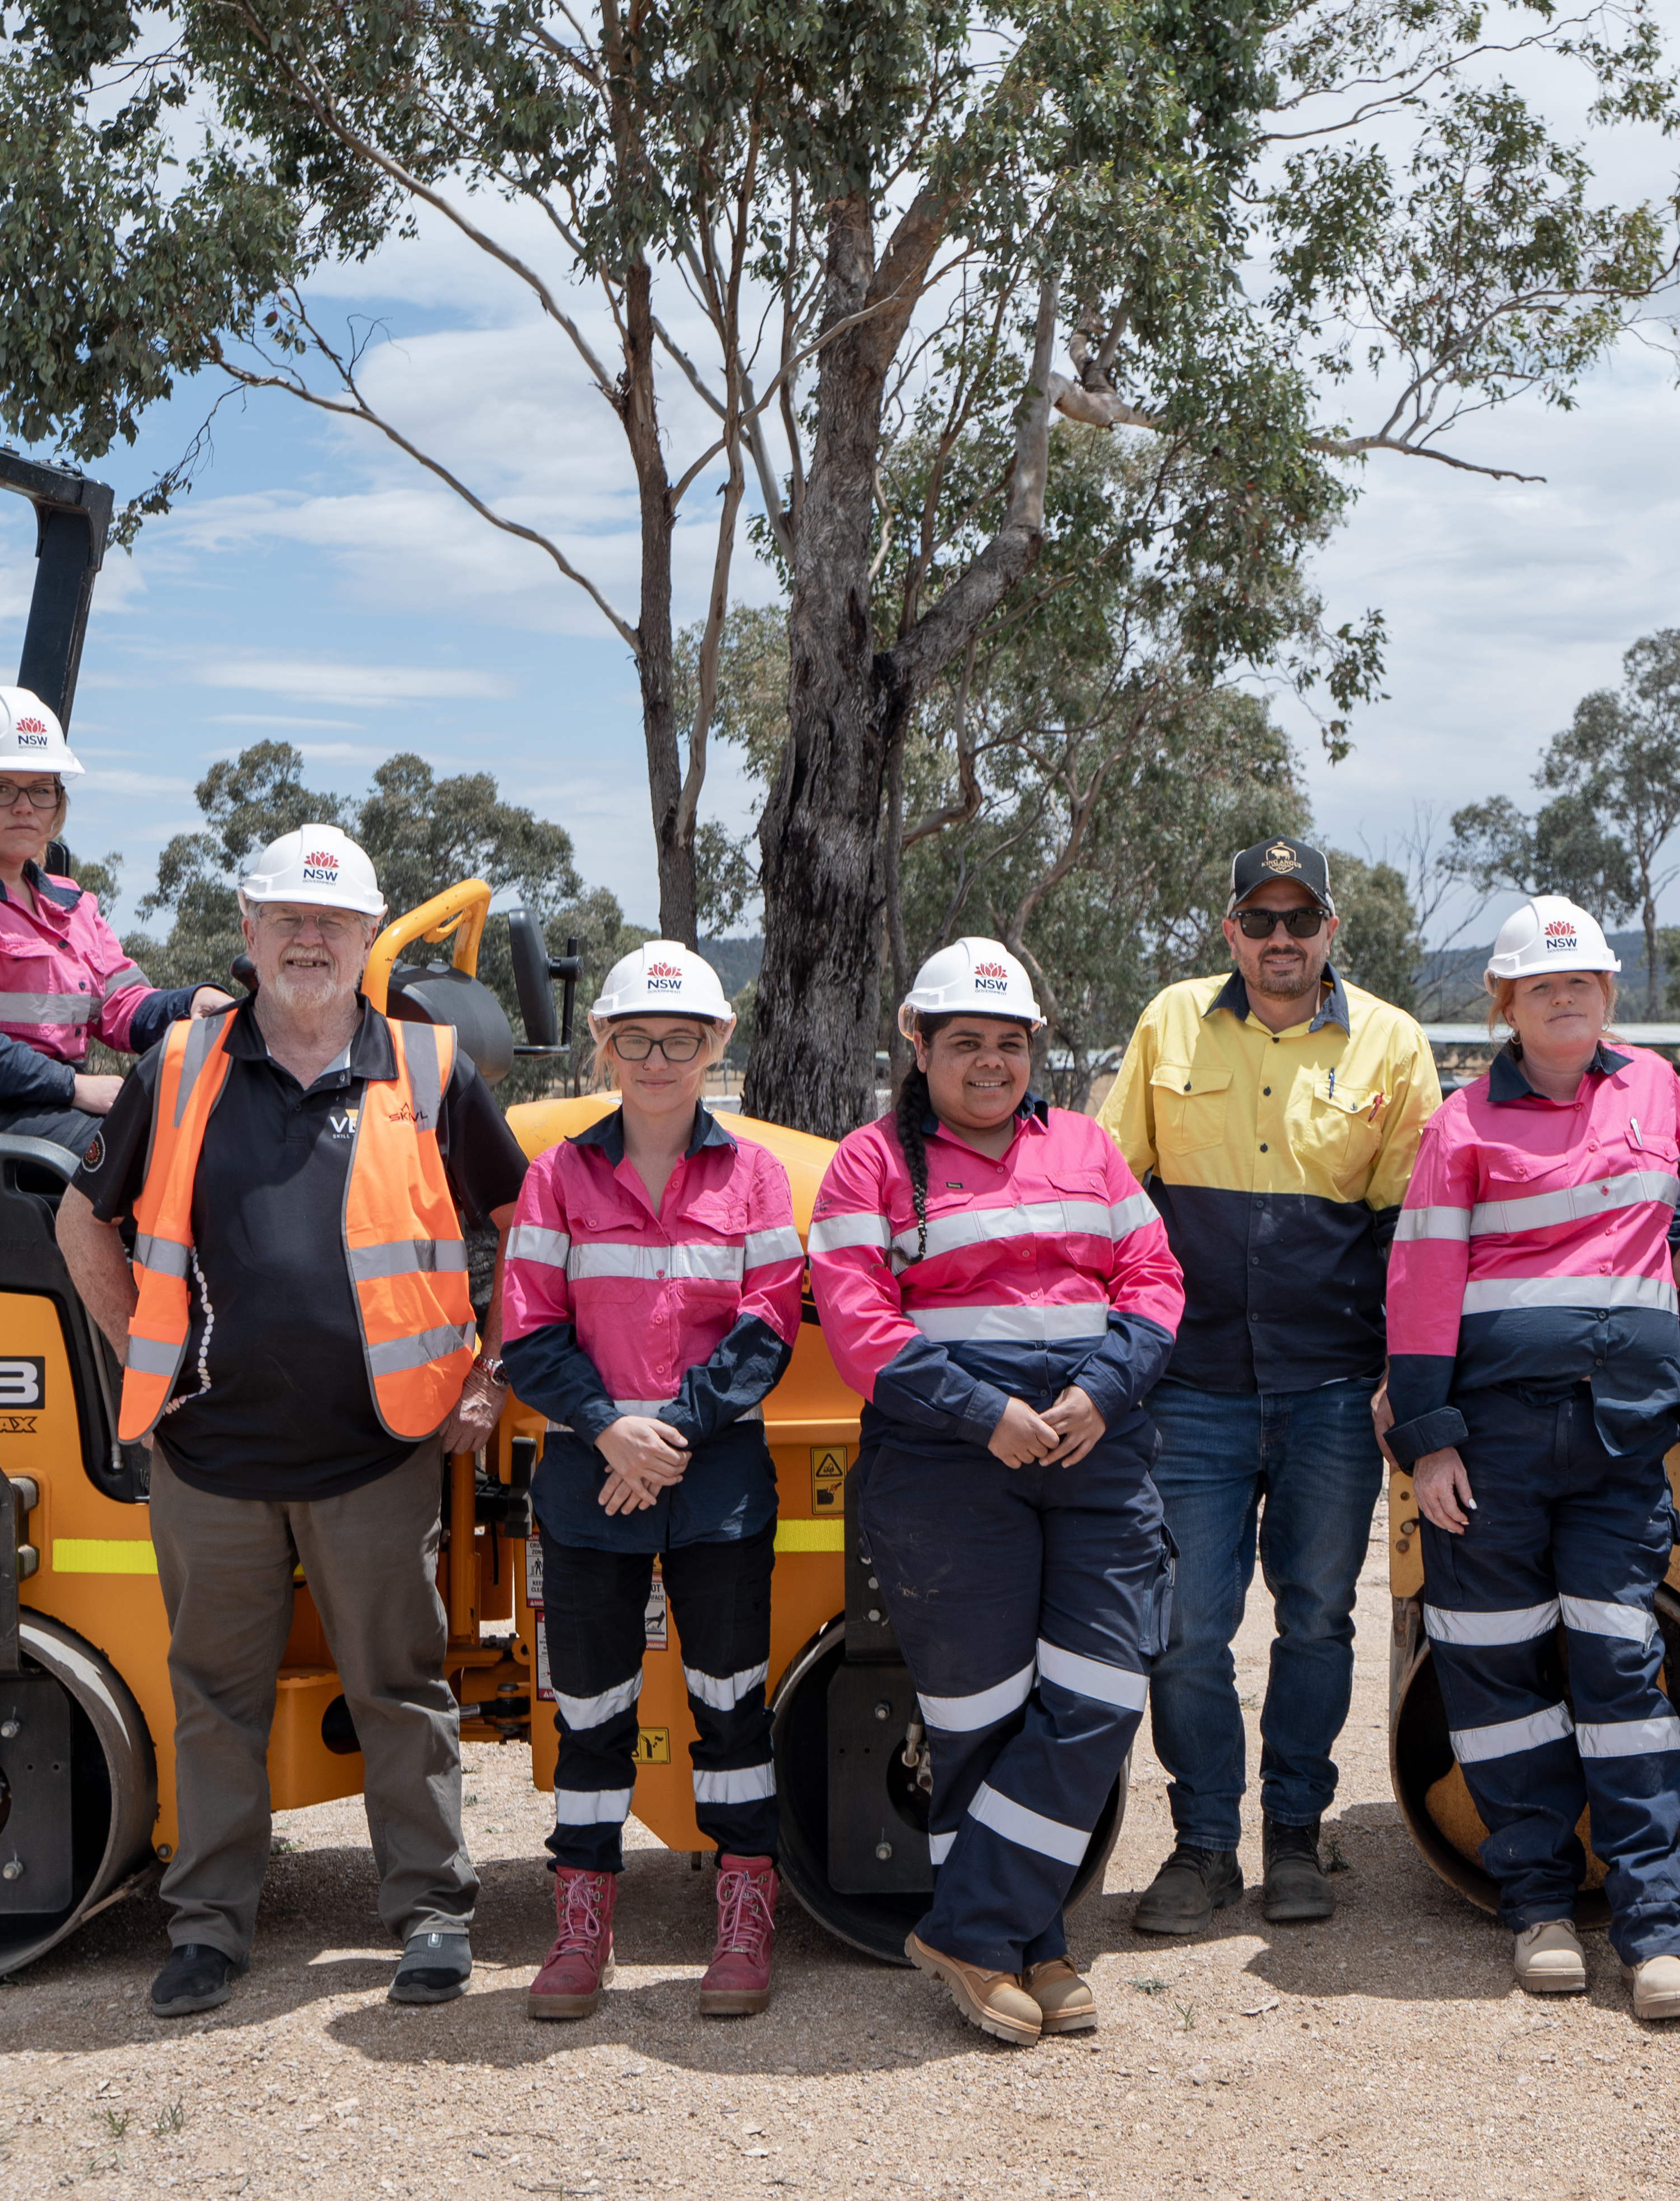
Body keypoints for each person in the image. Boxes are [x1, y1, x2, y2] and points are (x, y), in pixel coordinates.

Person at [53, 824, 527, 2020]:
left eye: (332, 922)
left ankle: (430, 1912)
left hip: (377, 1453)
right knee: (215, 1697)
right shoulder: (178, 1067)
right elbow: (80, 1220)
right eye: (287, 918)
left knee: (399, 1687)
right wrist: (142, 1356)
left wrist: (489, 1374)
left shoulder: (427, 1069)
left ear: (367, 938)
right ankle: (208, 1927)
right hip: (210, 1455)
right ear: (250, 930)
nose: (309, 939)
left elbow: (528, 1222)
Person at [807, 940, 1186, 2046]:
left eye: (1009, 1042)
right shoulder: (868, 1163)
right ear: (917, 1045)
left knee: (1101, 1693)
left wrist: (1101, 1390)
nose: (989, 1061)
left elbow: (1154, 1277)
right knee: (978, 1716)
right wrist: (984, 1412)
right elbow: (860, 1324)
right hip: (945, 1461)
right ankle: (1030, 1942)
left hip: (1093, 1445)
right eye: (964, 1040)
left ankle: (974, 1926)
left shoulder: (1085, 1147)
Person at [1379, 896, 1680, 2023]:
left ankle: (1654, 1928)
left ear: (1607, 993)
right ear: (1505, 1004)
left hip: (1620, 1439)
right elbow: (1421, 1281)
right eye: (1541, 986)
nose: (1564, 998)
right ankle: (1537, 1907)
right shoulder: (1461, 1123)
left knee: (1620, 1667)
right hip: (1494, 1445)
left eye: (1581, 982)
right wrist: (1427, 1437)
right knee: (1494, 1674)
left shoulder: (1651, 1086)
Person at [1098, 838, 1440, 1934]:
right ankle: (1203, 1845)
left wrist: (1400, 1374)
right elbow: (1109, 1194)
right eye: (1260, 918)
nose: (1280, 937)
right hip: (1187, 1388)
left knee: (1317, 1620)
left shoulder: (1391, 1041)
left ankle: (1294, 1835)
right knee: (1184, 1629)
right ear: (1229, 930)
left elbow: (1409, 1232)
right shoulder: (1168, 1024)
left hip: (1332, 1390)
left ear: (1330, 928)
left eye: (1300, 918)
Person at [498, 944, 804, 2021]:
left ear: (718, 1042)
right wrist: (608, 1431)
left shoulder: (756, 1176)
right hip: (592, 1485)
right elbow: (529, 1334)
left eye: (681, 1039)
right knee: (591, 1715)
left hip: (714, 1484)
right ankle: (581, 1926)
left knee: (731, 1707)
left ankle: (744, 1916)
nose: (659, 1059)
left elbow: (768, 1327)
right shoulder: (557, 1177)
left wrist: (662, 1436)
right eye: (636, 1038)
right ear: (604, 1045)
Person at [0, 686, 224, 1150]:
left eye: (41, 790)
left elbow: (121, 1006)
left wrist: (192, 1005)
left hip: (46, 1104)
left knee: (224, 1130)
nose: (25, 806)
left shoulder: (70, 903)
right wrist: (74, 1087)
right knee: (153, 1151)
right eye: (0, 788)